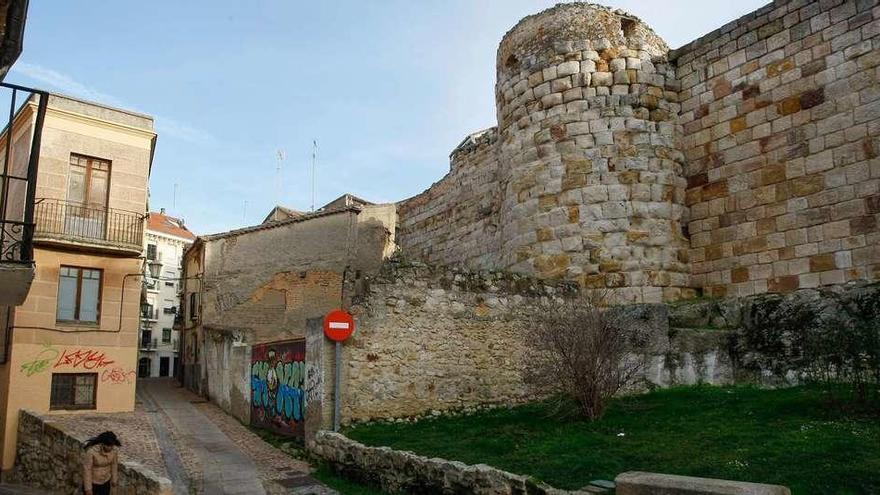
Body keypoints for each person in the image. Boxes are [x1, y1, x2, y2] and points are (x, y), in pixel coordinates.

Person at [82, 431, 120, 495]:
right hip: (93, 482)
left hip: (105, 482)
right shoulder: (91, 452)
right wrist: (88, 488)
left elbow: (114, 465)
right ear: (103, 444)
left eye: (112, 446)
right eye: (108, 446)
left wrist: (114, 479)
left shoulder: (114, 451)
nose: (110, 448)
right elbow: (87, 470)